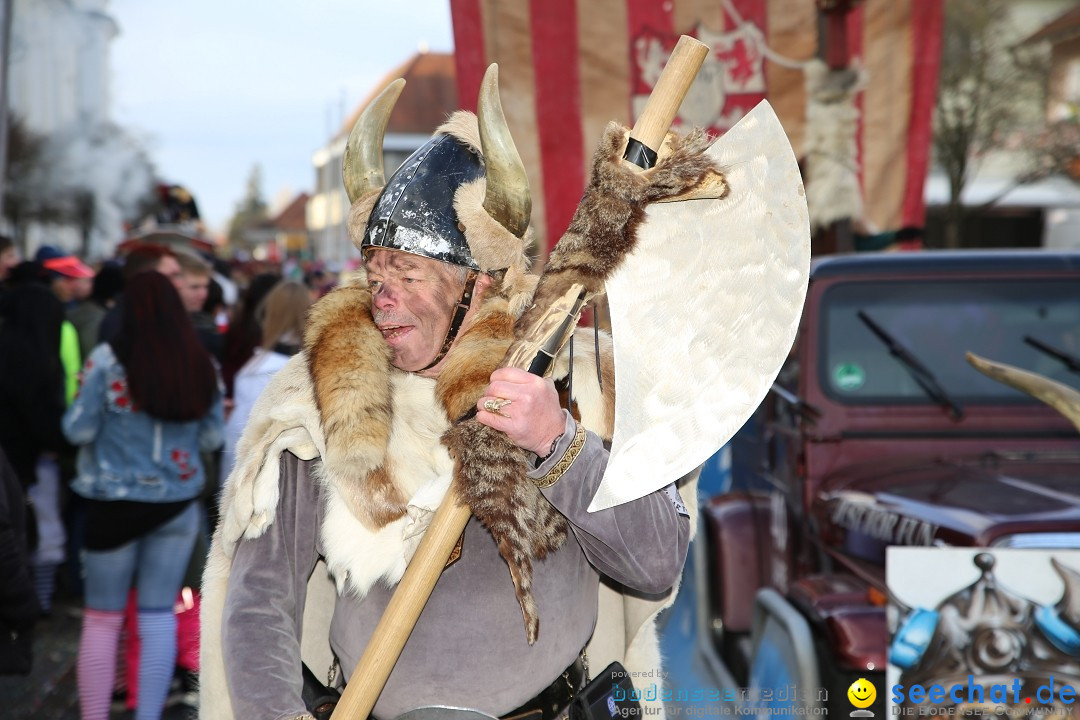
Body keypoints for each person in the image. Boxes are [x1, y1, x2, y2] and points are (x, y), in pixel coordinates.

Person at [201, 71, 705, 720]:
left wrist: (558, 444)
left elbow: (655, 564)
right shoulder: (322, 395)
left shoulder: (580, 383)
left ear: (479, 284)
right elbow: (261, 597)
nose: (384, 296)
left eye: (410, 275)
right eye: (377, 272)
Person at [63, 272, 224, 720]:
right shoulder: (199, 364)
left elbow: (77, 428)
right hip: (175, 503)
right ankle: (148, 715)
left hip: (112, 501)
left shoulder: (105, 361)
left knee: (102, 618)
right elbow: (212, 438)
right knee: (157, 616)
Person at [220, 280, 311, 487]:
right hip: (283, 484)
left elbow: (236, 439)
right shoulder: (309, 368)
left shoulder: (254, 369)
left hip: (259, 484)